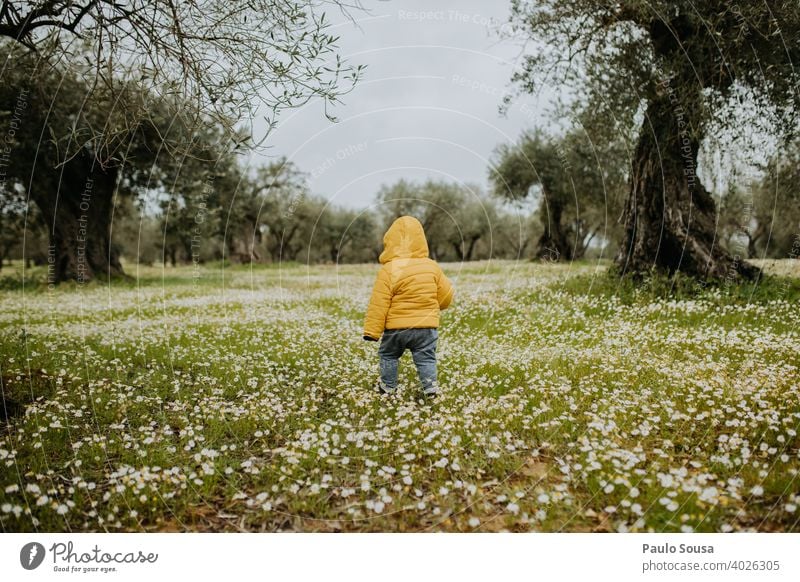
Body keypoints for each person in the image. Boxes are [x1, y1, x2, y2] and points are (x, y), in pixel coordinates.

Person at [363, 215, 454, 398]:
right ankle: (431, 389)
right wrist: (435, 308)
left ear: (391, 242)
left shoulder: (389, 270)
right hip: (426, 328)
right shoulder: (432, 267)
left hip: (396, 329)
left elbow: (379, 303)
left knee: (388, 356)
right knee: (426, 358)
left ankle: (388, 388)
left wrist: (372, 332)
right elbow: (446, 296)